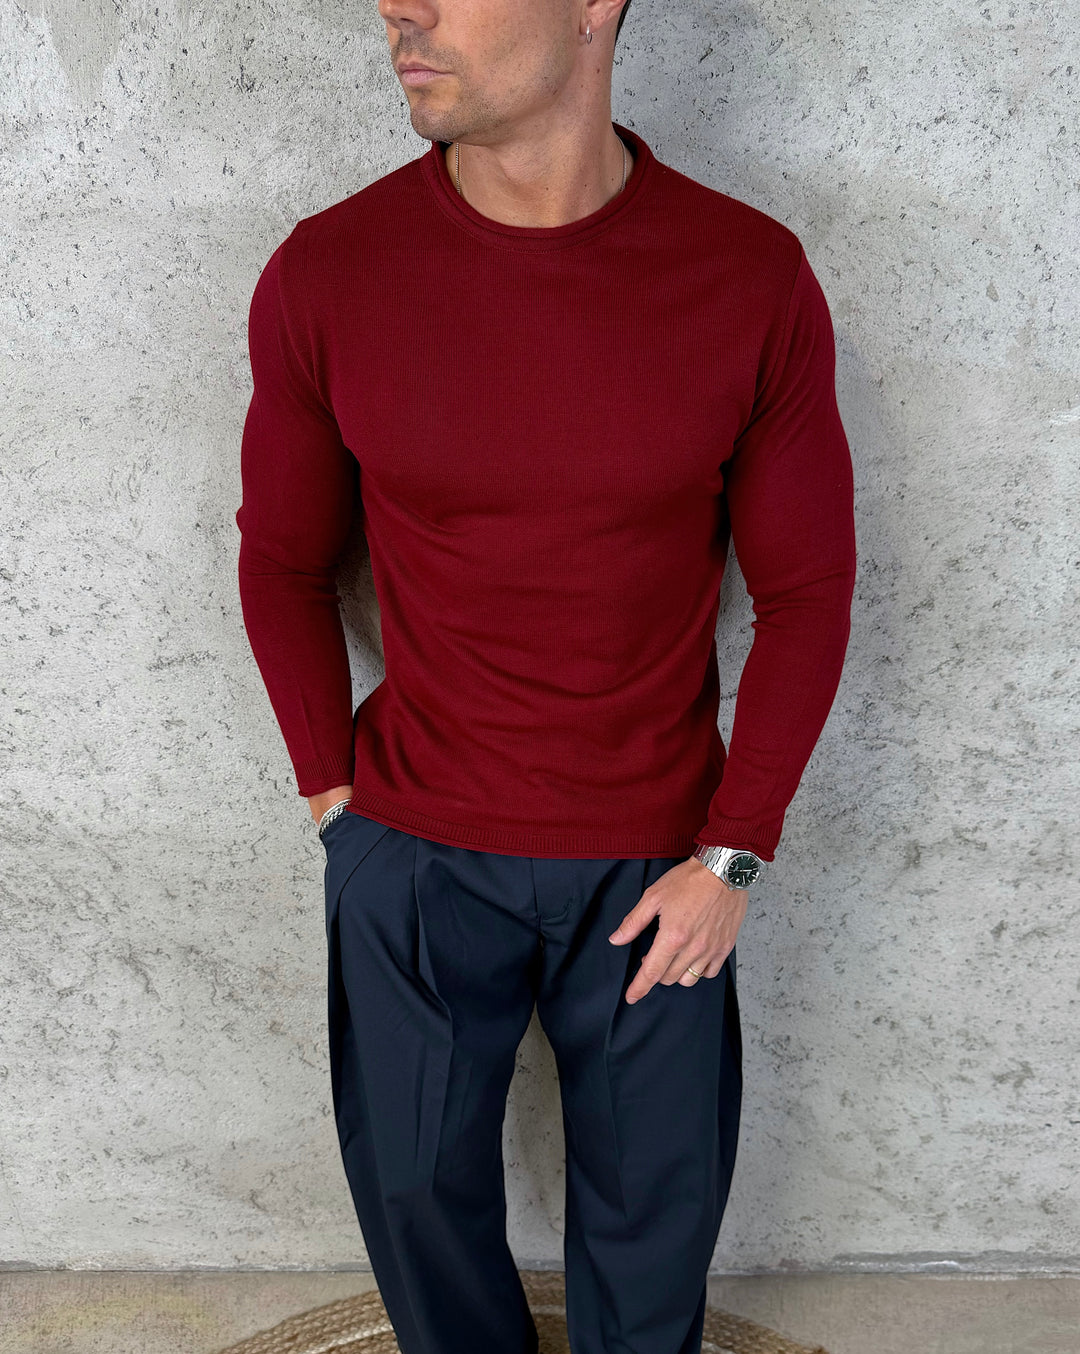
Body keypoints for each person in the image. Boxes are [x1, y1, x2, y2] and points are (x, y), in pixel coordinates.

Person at [235, 0, 856, 1349]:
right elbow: (280, 563)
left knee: (653, 1236)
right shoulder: (330, 272)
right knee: (417, 1206)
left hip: (659, 869)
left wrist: (733, 854)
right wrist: (340, 810)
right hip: (414, 856)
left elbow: (807, 595)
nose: (400, 9)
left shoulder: (748, 276)